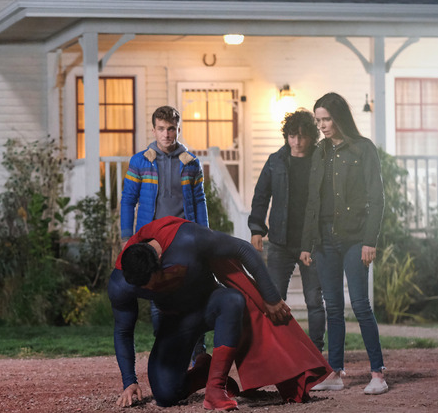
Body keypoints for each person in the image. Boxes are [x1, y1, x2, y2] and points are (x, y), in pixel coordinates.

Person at [111, 217, 330, 410]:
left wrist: (271, 297)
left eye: (153, 283)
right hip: (176, 321)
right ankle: (204, 372)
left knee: (233, 299)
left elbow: (244, 249)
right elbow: (123, 331)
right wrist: (129, 381)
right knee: (165, 395)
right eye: (144, 290)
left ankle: (216, 389)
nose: (150, 291)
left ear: (159, 260)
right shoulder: (121, 284)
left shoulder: (187, 239)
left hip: (211, 305)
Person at [299, 92, 388, 395]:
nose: (322, 125)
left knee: (361, 305)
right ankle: (334, 372)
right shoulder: (320, 152)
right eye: (319, 120)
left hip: (354, 240)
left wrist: (369, 241)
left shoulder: (364, 149)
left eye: (326, 119)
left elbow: (376, 199)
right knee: (333, 308)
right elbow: (313, 200)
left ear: (339, 117)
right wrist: (308, 243)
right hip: (324, 241)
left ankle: (377, 374)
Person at [120, 105, 209, 361]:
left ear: (178, 129)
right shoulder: (140, 161)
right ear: (154, 130)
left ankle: (197, 353)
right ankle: (167, 352)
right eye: (161, 129)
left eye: (171, 129)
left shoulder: (191, 163)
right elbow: (128, 200)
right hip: (152, 240)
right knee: (158, 292)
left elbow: (200, 200)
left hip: (185, 237)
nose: (167, 135)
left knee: (192, 290)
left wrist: (204, 234)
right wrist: (127, 237)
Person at [248, 109, 325, 351]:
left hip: (311, 242)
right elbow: (261, 196)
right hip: (280, 241)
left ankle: (316, 351)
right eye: (292, 136)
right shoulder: (275, 161)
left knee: (313, 300)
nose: (297, 141)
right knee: (274, 299)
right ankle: (278, 350)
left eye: (302, 136)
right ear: (286, 136)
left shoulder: (320, 161)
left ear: (312, 137)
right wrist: (257, 229)